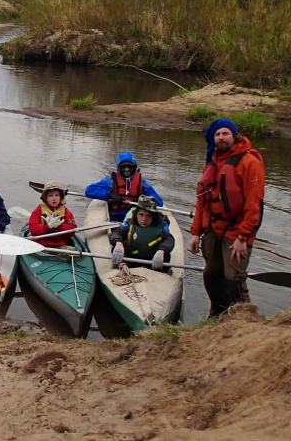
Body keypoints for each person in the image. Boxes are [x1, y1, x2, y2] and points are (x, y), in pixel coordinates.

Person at [189, 119, 265, 316]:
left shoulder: (249, 163)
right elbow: (202, 203)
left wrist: (243, 238)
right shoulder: (212, 163)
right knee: (210, 276)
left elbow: (254, 204)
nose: (221, 138)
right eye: (217, 134)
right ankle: (218, 316)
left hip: (237, 232)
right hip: (213, 229)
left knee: (233, 278)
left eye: (225, 133)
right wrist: (196, 232)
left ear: (234, 136)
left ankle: (244, 318)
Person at [85, 152, 163, 222]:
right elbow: (89, 190)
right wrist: (110, 195)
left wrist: (140, 204)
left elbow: (159, 202)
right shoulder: (111, 180)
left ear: (134, 167)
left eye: (130, 166)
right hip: (114, 216)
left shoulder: (142, 182)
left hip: (134, 216)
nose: (127, 169)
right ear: (119, 167)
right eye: (124, 166)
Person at [109, 195, 175, 271]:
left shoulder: (162, 226)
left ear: (153, 217)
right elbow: (116, 233)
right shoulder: (130, 223)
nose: (144, 219)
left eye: (148, 216)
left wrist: (161, 251)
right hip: (131, 260)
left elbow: (169, 239)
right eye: (141, 215)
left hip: (153, 263)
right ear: (136, 214)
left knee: (165, 256)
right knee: (116, 246)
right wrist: (119, 244)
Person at [27, 181, 77, 247]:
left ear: (60, 197)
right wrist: (47, 226)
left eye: (57, 195)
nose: (54, 198)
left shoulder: (66, 212)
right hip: (41, 245)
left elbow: (72, 231)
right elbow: (33, 229)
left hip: (61, 245)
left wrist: (60, 226)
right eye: (50, 196)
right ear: (45, 198)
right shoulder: (37, 211)